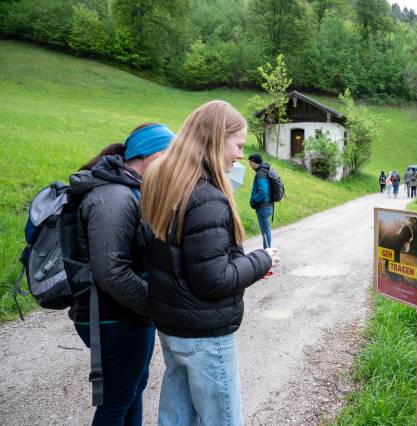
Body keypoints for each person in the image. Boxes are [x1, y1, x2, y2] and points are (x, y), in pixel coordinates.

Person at [140, 101, 279, 426]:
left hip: (174, 329)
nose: (241, 155)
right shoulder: (207, 197)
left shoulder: (165, 183)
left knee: (177, 418)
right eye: (239, 145)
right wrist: (261, 259)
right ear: (218, 139)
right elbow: (213, 280)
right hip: (205, 334)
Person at [69, 123, 174, 425]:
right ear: (151, 155)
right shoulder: (114, 196)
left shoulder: (129, 190)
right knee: (117, 401)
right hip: (114, 316)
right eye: (170, 156)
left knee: (131, 391)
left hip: (124, 314)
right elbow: (110, 270)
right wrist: (153, 306)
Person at [248, 153, 274, 248]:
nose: (250, 165)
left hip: (263, 207)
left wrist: (254, 201)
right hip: (268, 205)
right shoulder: (265, 170)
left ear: (254, 162)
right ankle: (268, 251)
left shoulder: (260, 173)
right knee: (266, 230)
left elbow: (262, 192)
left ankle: (267, 253)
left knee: (265, 231)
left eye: (250, 163)